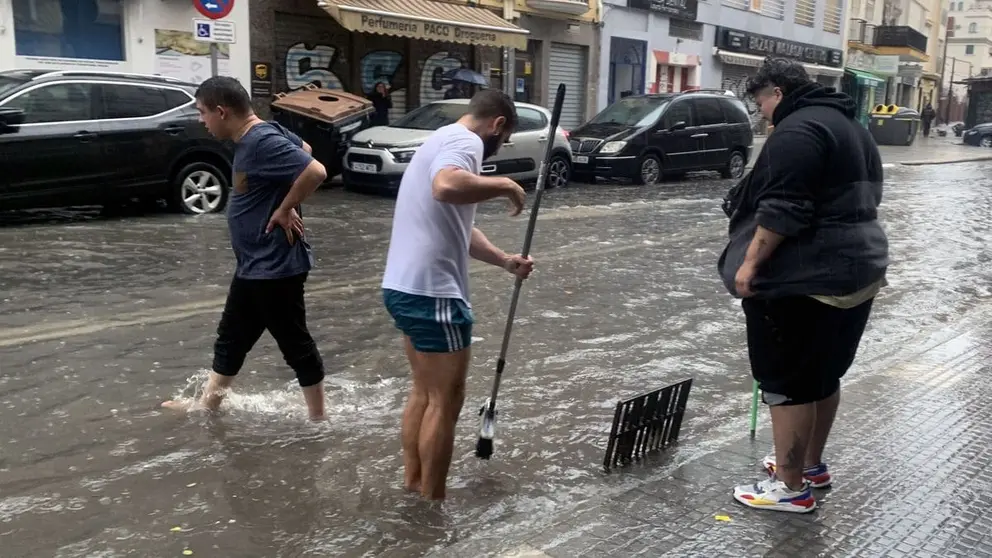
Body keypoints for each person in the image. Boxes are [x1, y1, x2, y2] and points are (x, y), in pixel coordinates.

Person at [718, 57, 889, 513]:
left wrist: (749, 267)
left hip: (803, 278)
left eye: (760, 102)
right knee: (823, 374)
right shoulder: (852, 127)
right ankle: (811, 466)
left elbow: (783, 209)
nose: (761, 113)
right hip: (859, 269)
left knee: (786, 380)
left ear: (776, 92)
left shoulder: (796, 131)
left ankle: (791, 487)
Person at [381, 89, 533, 500]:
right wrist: (505, 185)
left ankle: (414, 486)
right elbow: (446, 187)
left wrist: (505, 261)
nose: (499, 147)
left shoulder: (440, 138)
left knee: (424, 392)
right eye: (504, 140)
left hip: (403, 287)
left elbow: (458, 226)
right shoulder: (466, 143)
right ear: (497, 124)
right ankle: (433, 504)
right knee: (446, 401)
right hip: (434, 293)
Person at [162, 76, 330, 421]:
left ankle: (318, 418)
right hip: (255, 264)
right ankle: (208, 406)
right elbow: (305, 150)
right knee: (232, 337)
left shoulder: (260, 141)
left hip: (275, 266)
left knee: (294, 342)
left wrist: (286, 207)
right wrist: (283, 196)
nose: (201, 120)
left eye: (203, 112)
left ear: (221, 112)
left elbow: (315, 170)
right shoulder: (262, 134)